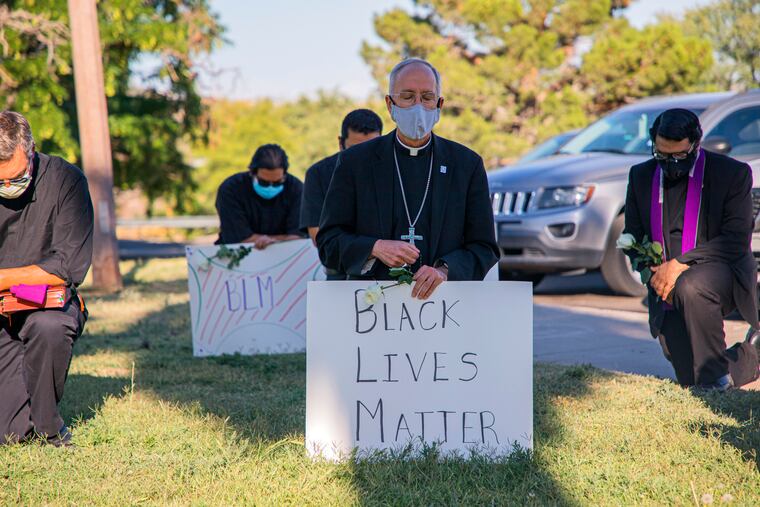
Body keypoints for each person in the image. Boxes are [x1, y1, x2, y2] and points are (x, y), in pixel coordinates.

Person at [317, 58, 499, 300]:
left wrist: (445, 270)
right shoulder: (355, 163)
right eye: (407, 96)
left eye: (426, 97)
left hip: (446, 308)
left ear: (439, 104)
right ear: (390, 104)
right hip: (372, 311)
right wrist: (374, 248)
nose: (418, 106)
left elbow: (484, 247)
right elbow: (329, 243)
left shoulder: (466, 165)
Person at [623, 108, 760, 390]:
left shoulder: (732, 174)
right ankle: (751, 357)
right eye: (661, 156)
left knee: (690, 285)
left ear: (696, 144)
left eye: (679, 157)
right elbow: (632, 236)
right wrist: (650, 271)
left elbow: (734, 241)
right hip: (666, 282)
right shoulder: (640, 176)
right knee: (691, 378)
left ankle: (716, 386)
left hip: (723, 272)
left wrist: (679, 265)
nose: (670, 164)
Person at [0, 111, 93, 445]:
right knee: (8, 435)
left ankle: (49, 426)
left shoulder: (67, 180)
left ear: (31, 151)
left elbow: (69, 267)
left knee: (49, 326)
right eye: (0, 182)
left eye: (16, 177)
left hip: (45, 304)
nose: (9, 187)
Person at [300, 109, 383, 279]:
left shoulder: (391, 170)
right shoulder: (318, 173)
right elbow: (318, 236)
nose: (363, 157)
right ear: (341, 143)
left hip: (386, 273)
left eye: (371, 147)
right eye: (355, 149)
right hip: (341, 272)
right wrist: (373, 247)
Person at [215, 144, 304, 248]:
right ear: (252, 173)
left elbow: (298, 237)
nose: (270, 187)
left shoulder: (296, 189)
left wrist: (267, 241)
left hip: (286, 255)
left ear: (284, 174)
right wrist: (280, 239)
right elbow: (238, 238)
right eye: (264, 183)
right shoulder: (231, 189)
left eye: (277, 183)